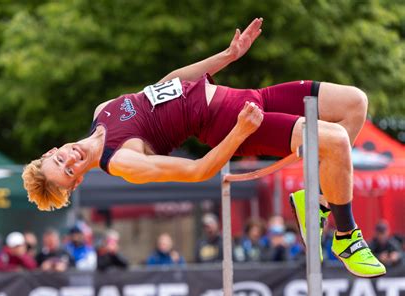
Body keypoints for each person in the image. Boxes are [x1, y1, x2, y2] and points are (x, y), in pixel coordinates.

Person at [22, 18, 384, 277]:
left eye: (59, 158)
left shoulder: (102, 111)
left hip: (246, 97)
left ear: (55, 148)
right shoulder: (122, 161)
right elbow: (199, 171)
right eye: (68, 172)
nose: (70, 159)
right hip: (231, 121)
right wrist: (241, 132)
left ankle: (317, 201)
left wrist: (227, 56)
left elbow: (164, 86)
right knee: (334, 141)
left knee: (354, 103)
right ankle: (346, 237)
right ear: (76, 183)